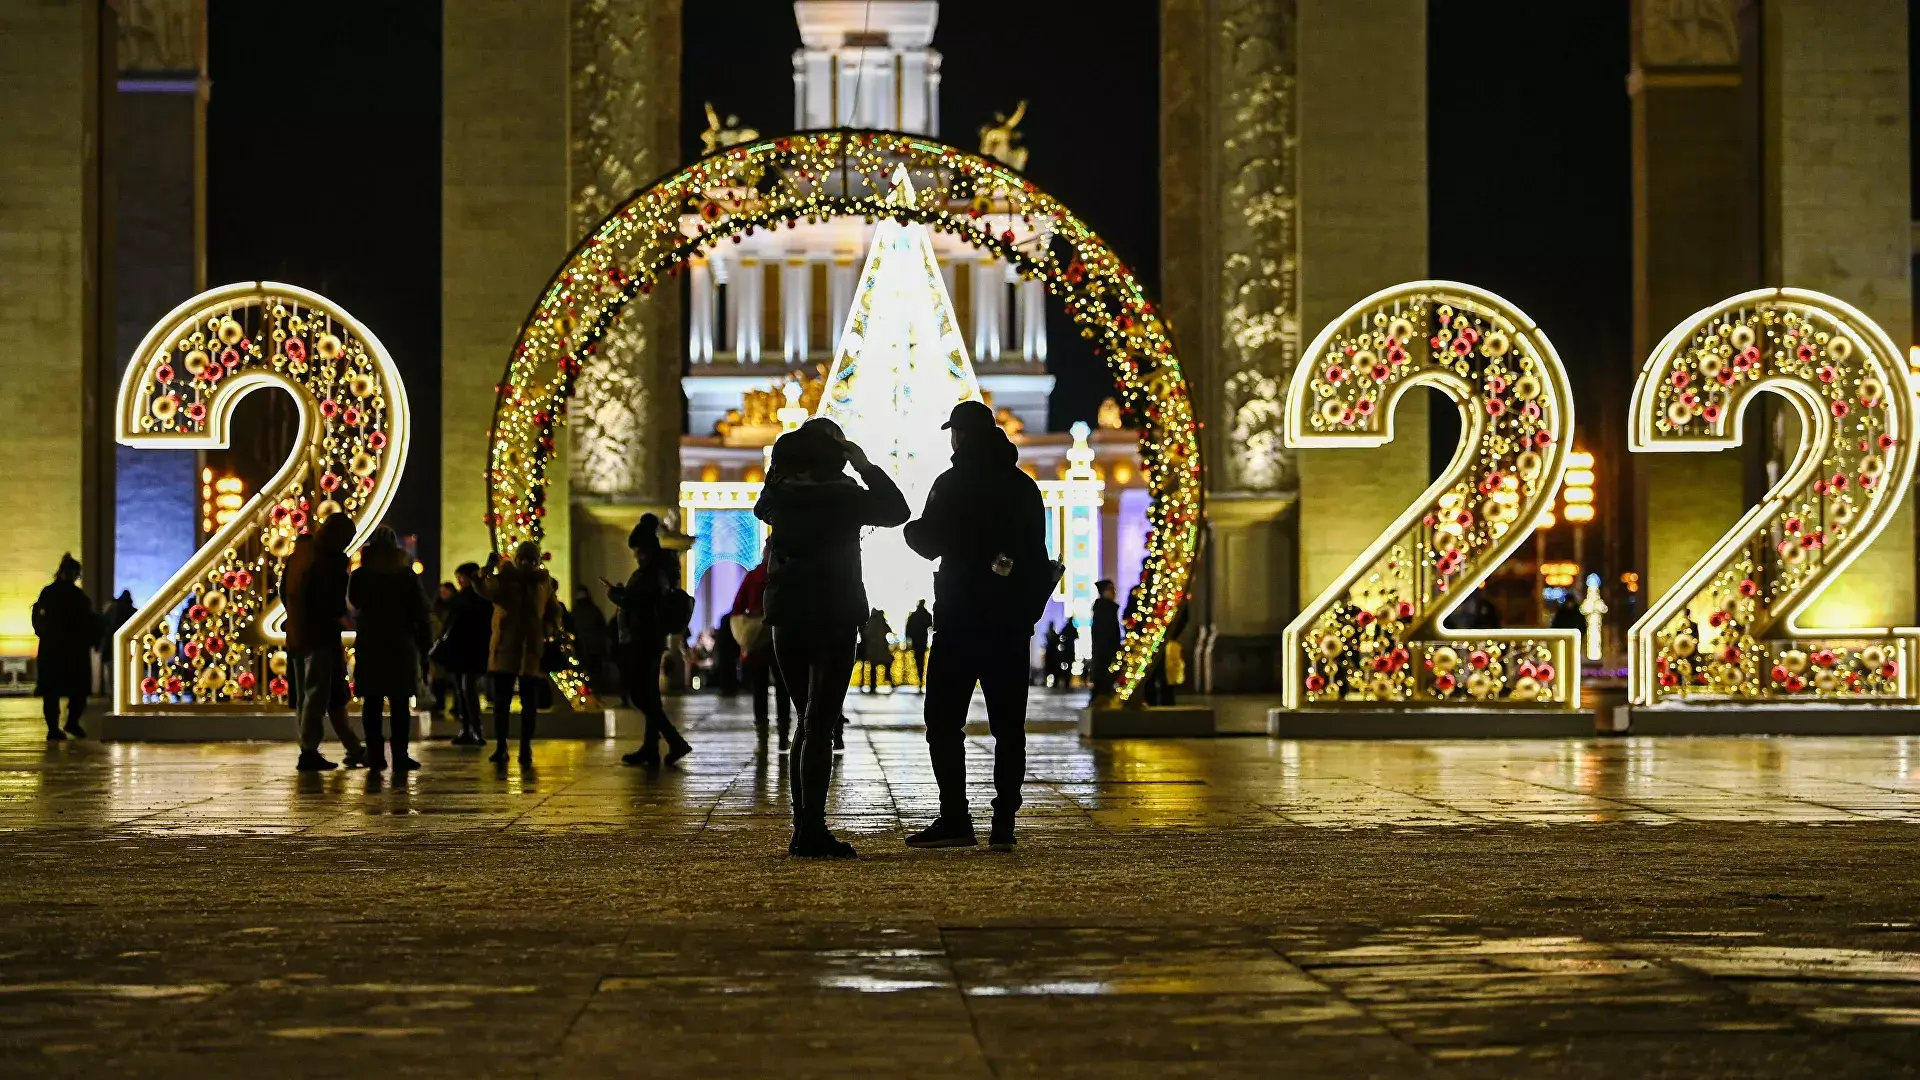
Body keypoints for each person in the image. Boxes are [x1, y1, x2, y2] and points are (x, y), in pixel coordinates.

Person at [755, 418, 909, 858]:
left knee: (806, 719)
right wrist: (864, 465)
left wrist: (779, 471)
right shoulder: (846, 498)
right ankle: (812, 829)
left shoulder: (779, 498)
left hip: (786, 612)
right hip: (834, 611)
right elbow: (897, 511)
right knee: (819, 723)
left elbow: (762, 504)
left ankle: (803, 827)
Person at [902, 400, 1050, 852]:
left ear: (961, 436)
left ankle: (955, 818)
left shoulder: (953, 482)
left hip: (960, 620)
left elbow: (928, 541)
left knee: (943, 722)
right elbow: (1036, 553)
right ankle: (1004, 821)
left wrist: (913, 530)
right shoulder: (1023, 487)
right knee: (1010, 727)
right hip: (1008, 623)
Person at [283, 514, 367, 771]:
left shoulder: (298, 556)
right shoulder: (330, 562)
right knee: (319, 694)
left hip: (297, 634)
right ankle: (310, 750)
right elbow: (334, 603)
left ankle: (329, 747)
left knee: (309, 695)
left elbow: (284, 592)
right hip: (320, 635)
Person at [610, 514, 692, 767]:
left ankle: (674, 740)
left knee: (640, 694)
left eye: (638, 551)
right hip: (649, 638)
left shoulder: (653, 573)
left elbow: (642, 602)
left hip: (645, 639)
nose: (636, 556)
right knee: (649, 696)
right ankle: (650, 747)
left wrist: (618, 596)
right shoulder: (658, 570)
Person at [348, 527, 431, 771]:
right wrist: (425, 647)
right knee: (399, 704)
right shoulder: (406, 575)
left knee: (372, 705)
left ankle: (375, 755)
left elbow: (355, 602)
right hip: (400, 645)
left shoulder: (361, 575)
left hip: (371, 644)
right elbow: (421, 612)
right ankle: (400, 755)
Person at [477, 542, 561, 765]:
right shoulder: (506, 578)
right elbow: (485, 590)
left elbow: (554, 611)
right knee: (503, 703)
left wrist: (548, 629)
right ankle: (503, 746)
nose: (526, 562)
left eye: (530, 558)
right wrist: (486, 571)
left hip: (528, 650)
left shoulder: (543, 583)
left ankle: (524, 747)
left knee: (527, 705)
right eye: (523, 557)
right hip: (507, 647)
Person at [32, 554, 96, 740]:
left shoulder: (53, 593)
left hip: (57, 648)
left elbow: (38, 616)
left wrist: (42, 632)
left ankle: (60, 726)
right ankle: (66, 724)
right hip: (68, 650)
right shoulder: (76, 596)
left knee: (56, 692)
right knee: (72, 690)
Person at [730, 558, 791, 748]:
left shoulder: (753, 577)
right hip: (781, 637)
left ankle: (762, 735)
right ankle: (783, 734)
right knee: (783, 688)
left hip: (757, 640)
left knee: (760, 688)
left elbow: (737, 606)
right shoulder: (786, 576)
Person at [433, 563, 494, 745]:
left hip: (467, 651)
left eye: (461, 577)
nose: (459, 581)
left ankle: (473, 728)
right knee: (463, 691)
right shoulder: (475, 598)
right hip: (465, 651)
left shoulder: (471, 599)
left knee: (467, 690)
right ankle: (469, 728)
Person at [570, 585, 612, 691]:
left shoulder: (575, 612)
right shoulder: (594, 610)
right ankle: (595, 691)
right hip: (593, 647)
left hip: (583, 647)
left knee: (585, 672)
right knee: (595, 672)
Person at [99, 589, 136, 703]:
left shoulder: (111, 611)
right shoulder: (133, 612)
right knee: (126, 673)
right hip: (128, 649)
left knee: (111, 674)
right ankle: (126, 695)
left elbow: (102, 627)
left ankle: (113, 695)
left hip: (110, 648)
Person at [1089, 580, 1121, 701]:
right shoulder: (1103, 609)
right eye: (1110, 589)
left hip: (1107, 651)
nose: (1113, 592)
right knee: (1103, 679)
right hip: (1105, 653)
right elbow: (1104, 633)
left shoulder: (1108, 608)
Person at [860, 607, 895, 694]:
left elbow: (865, 634)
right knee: (886, 666)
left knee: (873, 669)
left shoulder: (870, 623)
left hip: (872, 650)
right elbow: (889, 631)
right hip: (881, 649)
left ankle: (872, 686)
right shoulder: (882, 622)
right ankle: (890, 683)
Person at [904, 599, 932, 690]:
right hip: (922, 640)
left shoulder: (913, 615)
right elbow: (931, 625)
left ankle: (920, 680)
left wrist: (908, 639)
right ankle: (921, 680)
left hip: (916, 641)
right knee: (921, 661)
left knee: (918, 661)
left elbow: (908, 629)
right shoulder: (926, 615)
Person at [1059, 620, 1079, 688]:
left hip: (1066, 650)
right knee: (1069, 666)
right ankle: (1067, 682)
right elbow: (1077, 637)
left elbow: (1061, 637)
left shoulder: (1065, 628)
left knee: (1065, 667)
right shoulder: (1073, 628)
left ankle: (1065, 681)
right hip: (1070, 650)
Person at [1042, 625, 1061, 689]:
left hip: (1051, 654)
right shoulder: (1052, 634)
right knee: (1050, 669)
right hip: (1051, 654)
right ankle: (1052, 682)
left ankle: (1052, 682)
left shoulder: (1050, 634)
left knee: (1051, 669)